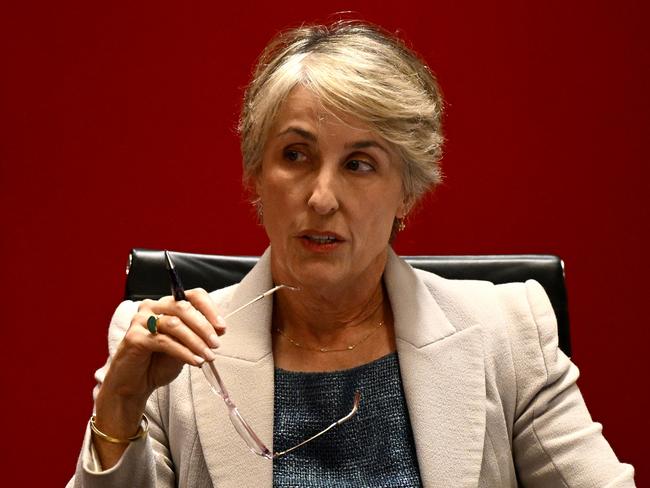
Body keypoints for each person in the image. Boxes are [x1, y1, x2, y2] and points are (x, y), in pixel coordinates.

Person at [69, 21, 635, 487]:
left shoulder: (507, 335)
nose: (321, 198)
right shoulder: (168, 363)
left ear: (407, 191)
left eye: (359, 164)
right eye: (295, 155)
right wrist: (118, 405)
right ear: (255, 176)